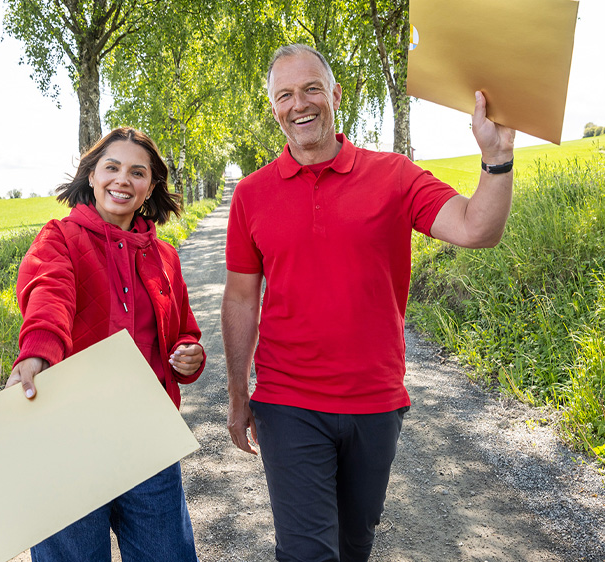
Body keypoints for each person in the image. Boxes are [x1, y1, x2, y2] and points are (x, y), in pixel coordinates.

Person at [221, 44, 516, 562]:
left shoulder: (394, 176)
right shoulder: (251, 193)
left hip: (374, 402)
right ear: (274, 108)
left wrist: (496, 158)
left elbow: (477, 229)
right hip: (287, 401)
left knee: (353, 546)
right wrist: (237, 392)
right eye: (285, 95)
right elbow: (241, 298)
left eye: (312, 88)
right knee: (308, 552)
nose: (300, 103)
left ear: (335, 95)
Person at [7, 126, 206, 562]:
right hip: (68, 435)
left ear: (150, 186)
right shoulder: (59, 237)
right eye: (111, 168)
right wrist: (39, 349)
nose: (122, 180)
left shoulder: (166, 257)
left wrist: (190, 355)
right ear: (92, 175)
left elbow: (183, 330)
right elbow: (49, 291)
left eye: (137, 172)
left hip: (147, 437)